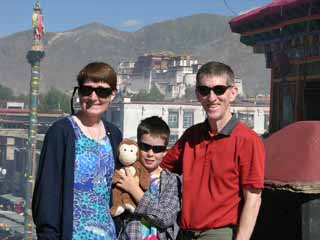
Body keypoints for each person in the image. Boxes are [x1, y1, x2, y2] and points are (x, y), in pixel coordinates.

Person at [161, 61, 265, 240]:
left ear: (232, 93)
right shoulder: (191, 136)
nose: (211, 97)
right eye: (204, 90)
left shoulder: (247, 140)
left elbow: (253, 199)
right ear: (197, 95)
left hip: (218, 233)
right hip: (183, 232)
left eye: (219, 90)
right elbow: (162, 168)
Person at [32, 62, 122, 239]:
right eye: (87, 90)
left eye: (102, 91)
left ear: (112, 95)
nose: (93, 97)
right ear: (78, 92)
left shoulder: (114, 135)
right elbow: (47, 192)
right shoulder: (62, 132)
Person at [116, 116, 181, 240]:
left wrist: (135, 191)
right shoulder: (126, 174)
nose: (150, 154)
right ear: (137, 147)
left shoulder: (171, 181)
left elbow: (166, 217)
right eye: (145, 147)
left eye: (157, 149)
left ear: (165, 152)